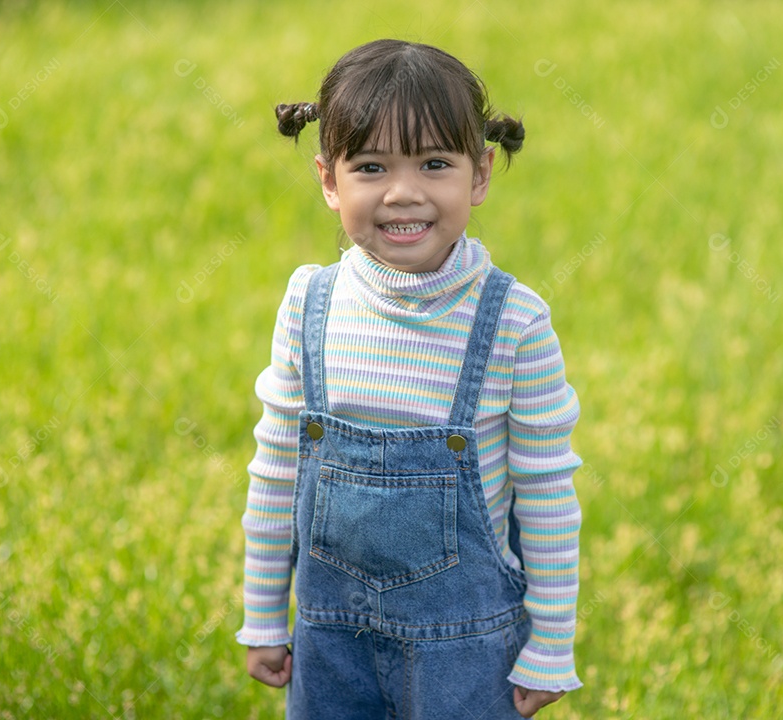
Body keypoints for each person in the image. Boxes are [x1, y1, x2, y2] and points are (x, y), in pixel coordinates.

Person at [235, 39, 583, 719]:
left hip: (469, 654)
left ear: (479, 174)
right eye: (370, 167)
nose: (403, 193)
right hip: (331, 646)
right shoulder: (310, 305)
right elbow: (277, 468)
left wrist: (552, 641)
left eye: (434, 164)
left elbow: (547, 492)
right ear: (329, 180)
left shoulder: (513, 322)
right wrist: (263, 612)